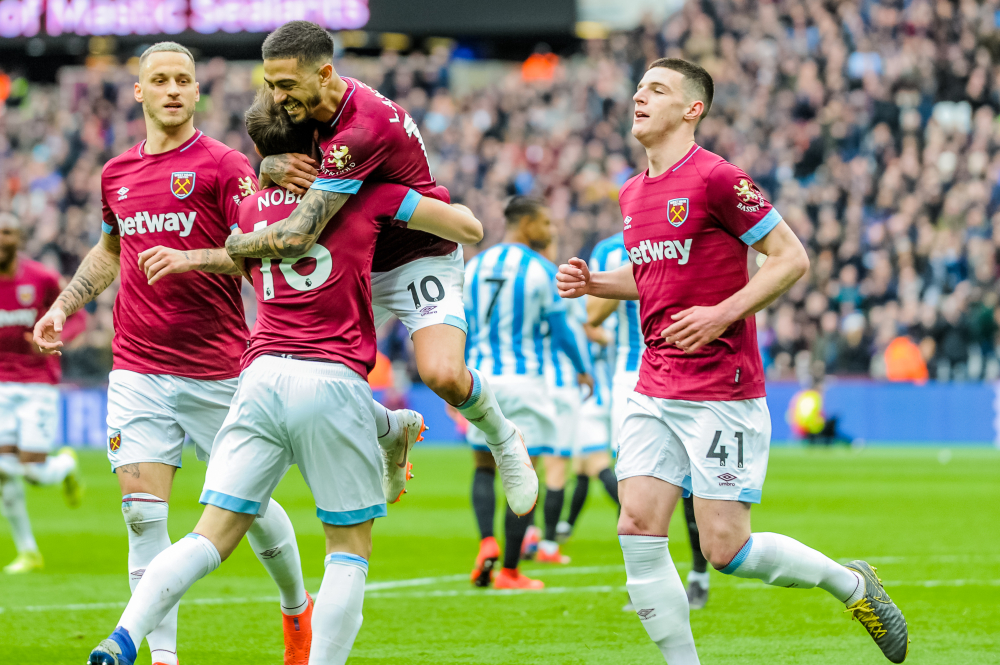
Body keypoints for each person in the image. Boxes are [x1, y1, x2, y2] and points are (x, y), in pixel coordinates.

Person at [85, 85, 487, 665]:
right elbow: (466, 229)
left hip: (260, 376)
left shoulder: (247, 212)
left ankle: (124, 636)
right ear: (318, 146)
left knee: (207, 536)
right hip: (332, 378)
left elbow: (238, 251)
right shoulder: (366, 195)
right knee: (348, 550)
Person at [556, 58, 909, 664]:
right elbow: (655, 279)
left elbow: (790, 258)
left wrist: (722, 314)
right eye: (639, 87)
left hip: (723, 387)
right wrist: (596, 285)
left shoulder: (718, 178)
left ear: (692, 109)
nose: (640, 97)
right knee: (637, 529)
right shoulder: (633, 192)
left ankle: (850, 584)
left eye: (657, 90)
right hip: (654, 383)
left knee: (727, 549)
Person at [33, 43, 314, 665]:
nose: (171, 90)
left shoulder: (224, 166)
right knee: (141, 518)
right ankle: (163, 657)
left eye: (182, 80)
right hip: (137, 367)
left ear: (195, 92)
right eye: (158, 80)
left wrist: (192, 257)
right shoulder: (116, 173)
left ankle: (297, 607)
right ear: (139, 92)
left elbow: (258, 249)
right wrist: (63, 305)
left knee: (251, 507)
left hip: (217, 368)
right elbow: (112, 250)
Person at [251, 21, 537, 516]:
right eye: (270, 84)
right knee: (309, 380)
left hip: (415, 252)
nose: (276, 98)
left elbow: (299, 232)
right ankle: (391, 428)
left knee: (442, 374)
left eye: (286, 86)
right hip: (353, 259)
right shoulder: (297, 104)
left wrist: (233, 244)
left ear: (324, 73)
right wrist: (268, 165)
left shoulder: (362, 129)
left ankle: (503, 437)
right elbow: (272, 153)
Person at [465, 197, 591, 590]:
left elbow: (460, 325)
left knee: (483, 467)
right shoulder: (540, 270)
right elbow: (561, 329)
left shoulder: (474, 266)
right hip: (526, 384)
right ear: (528, 224)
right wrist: (583, 369)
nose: (551, 231)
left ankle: (487, 541)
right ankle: (511, 571)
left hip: (481, 380)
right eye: (547, 223)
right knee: (524, 475)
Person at [588, 231, 710, 609]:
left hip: (684, 369)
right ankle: (654, 584)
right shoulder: (609, 250)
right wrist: (637, 276)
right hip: (630, 377)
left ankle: (699, 576)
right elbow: (591, 316)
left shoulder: (684, 238)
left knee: (693, 481)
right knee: (631, 487)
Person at [0, 212, 85, 574]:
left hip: (37, 384)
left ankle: (65, 465)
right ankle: (29, 551)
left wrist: (57, 337)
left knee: (32, 473)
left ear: (19, 239)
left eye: (7, 232)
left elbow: (77, 315)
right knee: (3, 469)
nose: (1, 239)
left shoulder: (42, 278)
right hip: (2, 385)